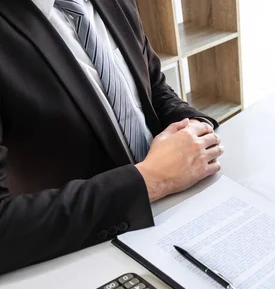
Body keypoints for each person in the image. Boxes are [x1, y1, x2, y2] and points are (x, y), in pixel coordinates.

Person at [0, 0, 225, 273]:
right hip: (87, 254)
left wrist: (195, 128)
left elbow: (153, 87)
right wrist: (151, 181)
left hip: (178, 209)